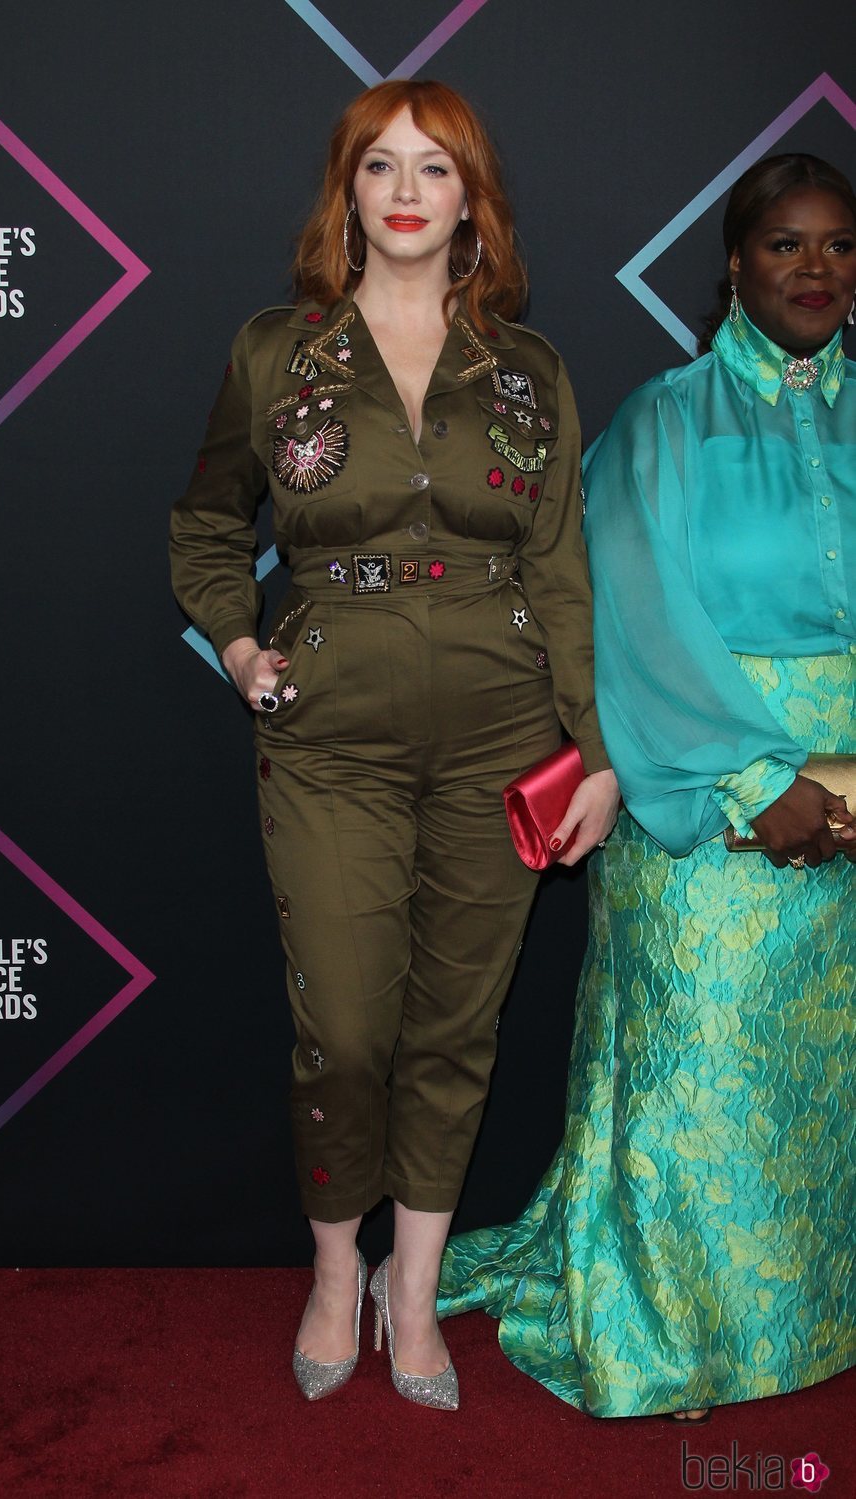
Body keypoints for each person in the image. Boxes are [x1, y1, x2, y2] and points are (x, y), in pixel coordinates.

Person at [170, 78, 619, 1408]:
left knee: (456, 1023)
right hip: (329, 743)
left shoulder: (528, 371)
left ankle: (409, 1294)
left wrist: (591, 749)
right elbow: (205, 525)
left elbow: (563, 570)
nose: (410, 189)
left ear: (473, 201)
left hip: (505, 731)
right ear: (348, 192)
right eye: (383, 166)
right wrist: (241, 643)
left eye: (439, 167)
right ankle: (330, 1268)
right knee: (351, 1028)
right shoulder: (275, 352)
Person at [438, 153, 856, 1420]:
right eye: (785, 245)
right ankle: (679, 1331)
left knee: (823, 1075)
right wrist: (754, 777)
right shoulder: (663, 421)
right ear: (731, 263)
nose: (814, 268)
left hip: (853, 798)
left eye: (838, 245)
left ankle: (816, 1312)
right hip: (711, 795)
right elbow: (631, 620)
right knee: (704, 1069)